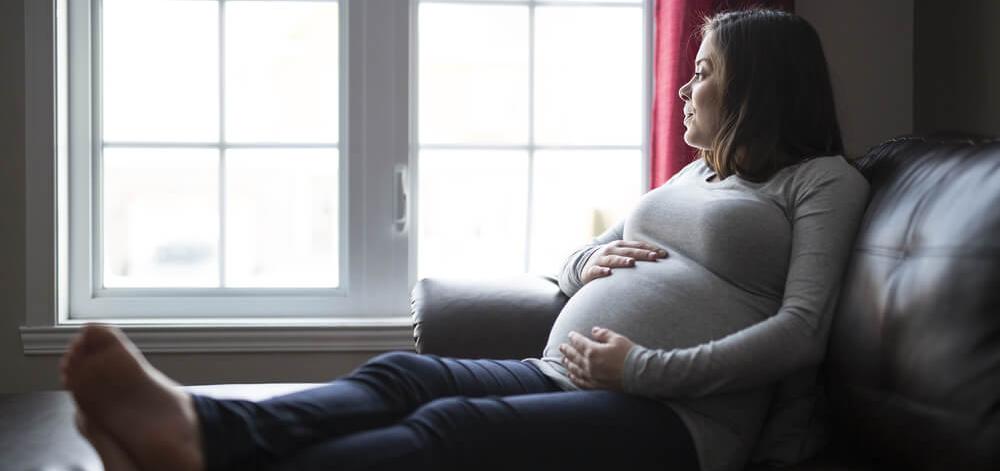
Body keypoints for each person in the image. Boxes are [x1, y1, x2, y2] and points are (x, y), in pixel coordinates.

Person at [60, 8, 870, 471]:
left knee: (455, 432)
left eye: (706, 72)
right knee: (403, 375)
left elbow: (800, 335)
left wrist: (642, 367)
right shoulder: (695, 175)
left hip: (682, 424)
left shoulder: (822, 181)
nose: (688, 86)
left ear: (756, 87)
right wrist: (589, 261)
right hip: (565, 373)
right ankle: (203, 430)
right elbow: (575, 261)